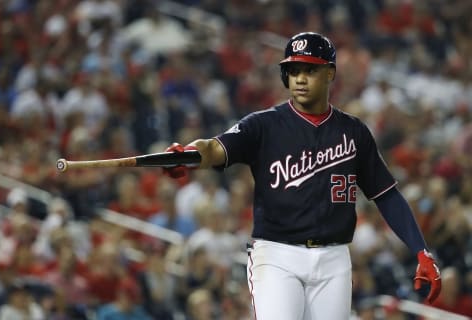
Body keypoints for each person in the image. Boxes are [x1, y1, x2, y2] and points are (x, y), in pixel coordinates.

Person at [162, 32, 441, 320]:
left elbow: (387, 195)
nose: (300, 78)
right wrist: (188, 155)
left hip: (334, 259)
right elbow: (214, 148)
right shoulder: (263, 125)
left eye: (310, 69)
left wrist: (421, 250)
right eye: (294, 70)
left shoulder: (353, 132)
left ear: (330, 73)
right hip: (277, 255)